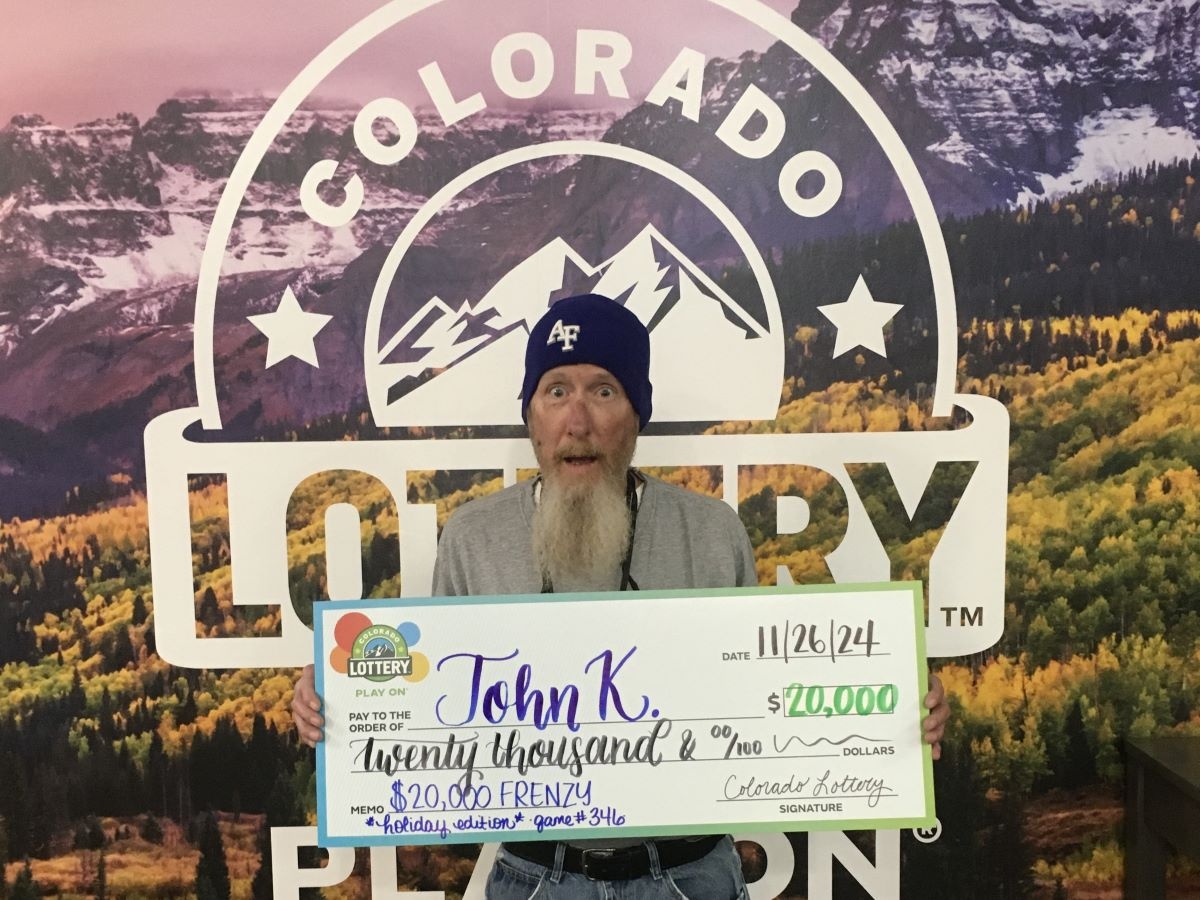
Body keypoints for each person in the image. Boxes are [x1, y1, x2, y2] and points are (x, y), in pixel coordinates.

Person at [293, 293, 950, 898]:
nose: (576, 420)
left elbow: (766, 702)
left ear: (637, 414)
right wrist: (338, 702)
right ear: (531, 417)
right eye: (555, 391)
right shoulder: (472, 538)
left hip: (692, 874)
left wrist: (889, 716)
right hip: (533, 875)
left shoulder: (711, 532)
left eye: (603, 391)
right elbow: (431, 710)